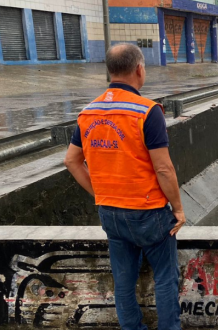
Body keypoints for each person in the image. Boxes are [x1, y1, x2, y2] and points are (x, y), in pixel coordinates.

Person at [64, 43, 186, 330]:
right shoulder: (146, 111)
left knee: (123, 281)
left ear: (110, 71)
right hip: (148, 213)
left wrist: (100, 193)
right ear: (139, 70)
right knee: (166, 278)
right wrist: (178, 209)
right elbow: (164, 168)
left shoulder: (87, 113)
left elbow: (71, 161)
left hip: (111, 213)